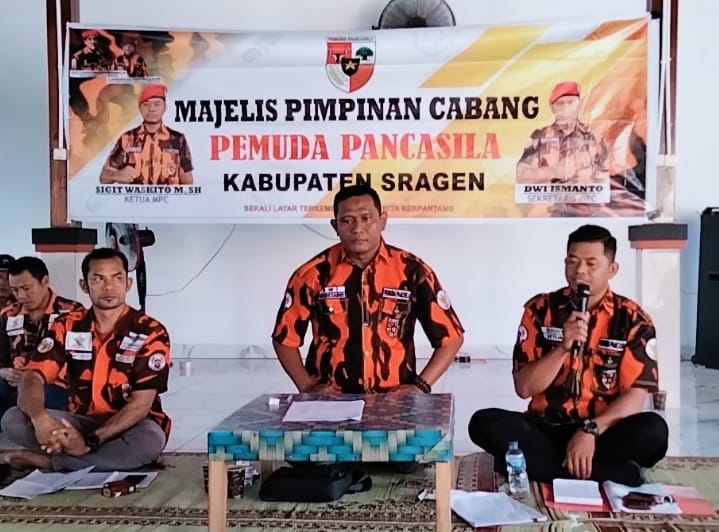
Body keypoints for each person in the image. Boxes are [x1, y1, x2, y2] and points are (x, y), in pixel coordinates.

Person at [467, 224, 668, 487]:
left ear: (612, 269)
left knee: (654, 431)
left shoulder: (633, 319)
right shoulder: (540, 309)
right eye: (572, 262)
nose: (580, 271)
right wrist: (563, 347)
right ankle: (607, 473)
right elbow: (524, 388)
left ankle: (545, 468)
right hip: (545, 428)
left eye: (591, 263)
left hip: (603, 432)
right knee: (483, 423)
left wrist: (590, 430)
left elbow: (636, 396)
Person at [272, 184, 464, 395]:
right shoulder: (313, 274)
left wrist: (421, 386)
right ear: (335, 226)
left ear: (383, 221)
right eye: (347, 220)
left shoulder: (412, 272)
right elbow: (284, 339)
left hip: (394, 399)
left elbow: (451, 339)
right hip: (331, 400)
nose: (357, 228)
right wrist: (307, 387)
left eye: (366, 218)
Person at [1, 248, 172, 472]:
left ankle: (53, 462)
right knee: (13, 419)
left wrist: (90, 441)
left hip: (130, 424)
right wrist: (41, 419)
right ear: (84, 285)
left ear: (128, 284)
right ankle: (92, 458)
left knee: (150, 441)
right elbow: (33, 377)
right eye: (98, 279)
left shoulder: (150, 331)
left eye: (117, 278)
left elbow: (140, 405)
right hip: (79, 422)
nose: (108, 287)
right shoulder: (67, 325)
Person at [0, 257, 85, 422]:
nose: (21, 296)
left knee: (49, 399)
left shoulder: (73, 313)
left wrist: (36, 377)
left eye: (26, 288)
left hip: (56, 385)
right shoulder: (8, 315)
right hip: (15, 384)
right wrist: (5, 372)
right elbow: (2, 360)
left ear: (45, 282)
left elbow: (81, 362)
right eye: (15, 290)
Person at [516, 81, 610, 217]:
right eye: (560, 104)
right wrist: (553, 171)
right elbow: (522, 174)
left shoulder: (593, 138)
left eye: (570, 102)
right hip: (547, 214)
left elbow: (608, 180)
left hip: (586, 214)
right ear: (552, 108)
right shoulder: (540, 137)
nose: (566, 108)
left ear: (579, 104)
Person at [99, 84, 194, 185]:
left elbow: (187, 182)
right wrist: (117, 174)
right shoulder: (127, 139)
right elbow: (103, 177)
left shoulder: (178, 139)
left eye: (157, 104)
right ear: (140, 108)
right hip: (135, 195)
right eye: (146, 104)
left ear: (164, 108)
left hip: (168, 195)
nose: (151, 109)